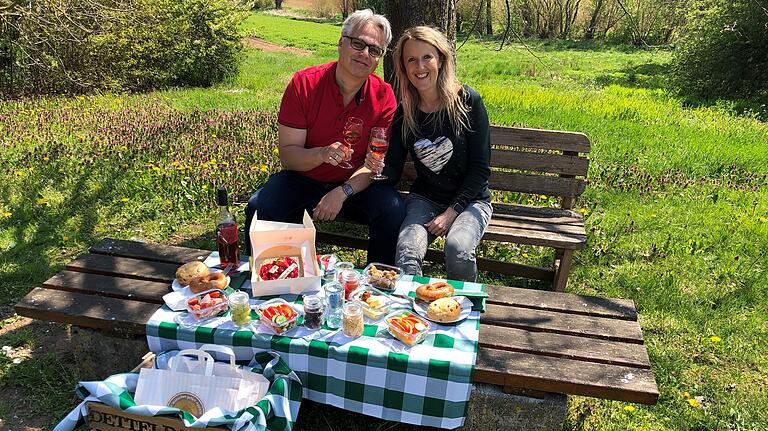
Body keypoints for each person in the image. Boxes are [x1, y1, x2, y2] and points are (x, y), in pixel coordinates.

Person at [245, 9, 405, 265]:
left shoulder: (383, 96)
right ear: (341, 43)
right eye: (358, 43)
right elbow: (289, 156)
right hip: (304, 177)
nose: (365, 54)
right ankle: (270, 281)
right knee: (260, 207)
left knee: (392, 209)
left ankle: (377, 288)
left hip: (353, 185)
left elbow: (371, 164)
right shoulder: (304, 84)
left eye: (374, 50)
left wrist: (342, 192)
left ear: (378, 59)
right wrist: (321, 154)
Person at [367, 26, 492, 282]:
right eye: (411, 59)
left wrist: (451, 213)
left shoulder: (467, 101)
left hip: (471, 201)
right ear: (403, 67)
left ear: (441, 60)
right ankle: (410, 315)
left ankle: (463, 312)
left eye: (427, 57)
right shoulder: (406, 113)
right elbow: (392, 170)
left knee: (457, 249)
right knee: (407, 250)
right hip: (425, 198)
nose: (419, 66)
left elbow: (481, 169)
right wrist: (376, 169)